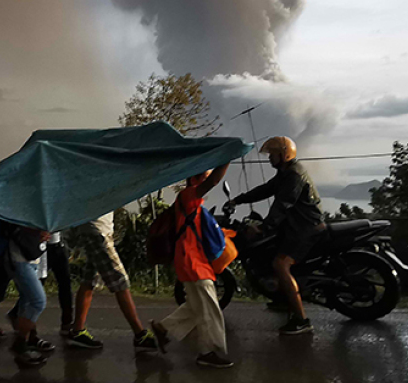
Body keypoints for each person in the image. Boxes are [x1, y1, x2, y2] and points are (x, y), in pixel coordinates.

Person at [226, 136, 324, 335]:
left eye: (273, 154)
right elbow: (266, 190)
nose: (269, 158)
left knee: (280, 264)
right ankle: (282, 298)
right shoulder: (285, 173)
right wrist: (238, 200)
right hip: (295, 226)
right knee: (271, 252)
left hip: (305, 228)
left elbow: (283, 204)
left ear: (284, 154)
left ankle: (301, 320)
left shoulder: (294, 175)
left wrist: (264, 228)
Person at [150, 165, 233, 368]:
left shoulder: (188, 200)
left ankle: (164, 330)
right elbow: (213, 181)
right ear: (196, 178)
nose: (206, 178)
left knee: (197, 307)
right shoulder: (189, 196)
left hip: (189, 261)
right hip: (193, 262)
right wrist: (227, 158)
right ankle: (210, 351)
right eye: (203, 174)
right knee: (210, 307)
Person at [68, 212, 160, 352]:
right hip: (97, 232)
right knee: (120, 281)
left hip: (97, 230)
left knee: (90, 280)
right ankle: (140, 334)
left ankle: (77, 330)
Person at [7, 227, 55, 367]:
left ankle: (24, 346)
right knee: (38, 301)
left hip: (32, 258)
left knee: (27, 300)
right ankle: (20, 342)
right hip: (20, 258)